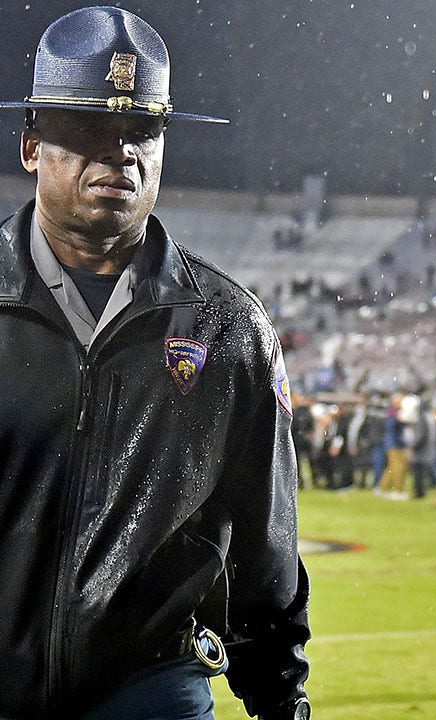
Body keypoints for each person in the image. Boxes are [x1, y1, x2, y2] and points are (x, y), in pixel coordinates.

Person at [0, 8, 310, 720]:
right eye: (85, 131)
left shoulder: (228, 326)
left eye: (140, 130)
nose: (119, 153)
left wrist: (281, 697)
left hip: (151, 687)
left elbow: (265, 542)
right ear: (31, 146)